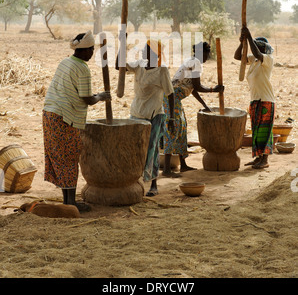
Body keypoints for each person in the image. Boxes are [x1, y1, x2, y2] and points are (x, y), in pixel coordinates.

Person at [43, 31, 111, 211]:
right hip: (65, 118)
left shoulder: (65, 62)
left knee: (61, 158)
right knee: (70, 158)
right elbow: (87, 98)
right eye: (90, 50)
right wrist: (101, 96)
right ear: (82, 50)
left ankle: (67, 201)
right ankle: (71, 203)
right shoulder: (82, 68)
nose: (92, 53)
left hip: (50, 114)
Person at [116, 37, 175, 196]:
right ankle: (135, 179)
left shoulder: (162, 70)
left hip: (154, 114)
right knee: (135, 147)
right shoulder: (139, 65)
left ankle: (153, 184)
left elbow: (170, 94)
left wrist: (172, 119)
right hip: (136, 112)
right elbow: (118, 66)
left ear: (154, 53)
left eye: (146, 49)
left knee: (152, 149)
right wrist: (122, 44)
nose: (143, 51)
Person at [162, 41, 224, 176]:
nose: (208, 57)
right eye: (207, 53)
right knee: (173, 128)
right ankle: (166, 169)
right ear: (203, 53)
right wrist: (214, 89)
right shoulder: (195, 62)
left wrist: (205, 105)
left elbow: (192, 89)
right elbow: (198, 87)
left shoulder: (193, 61)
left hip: (174, 99)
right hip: (171, 99)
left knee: (182, 128)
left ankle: (183, 165)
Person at [234, 25, 275, 169]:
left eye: (258, 46)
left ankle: (265, 160)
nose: (255, 48)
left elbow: (257, 53)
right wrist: (242, 42)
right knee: (257, 130)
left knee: (264, 130)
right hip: (255, 100)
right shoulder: (254, 61)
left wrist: (249, 36)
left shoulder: (267, 60)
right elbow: (238, 56)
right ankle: (258, 158)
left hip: (266, 100)